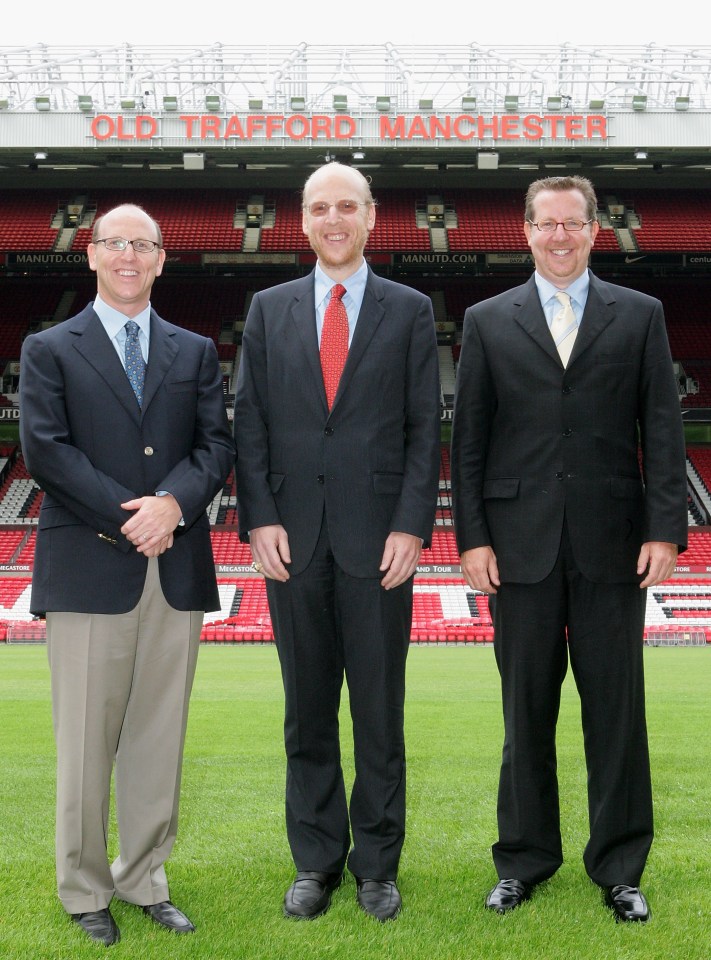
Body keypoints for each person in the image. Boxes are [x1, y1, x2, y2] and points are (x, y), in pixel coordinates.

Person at [451, 176, 687, 923]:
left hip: (614, 547)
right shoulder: (487, 320)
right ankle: (523, 860)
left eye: (571, 224)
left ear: (594, 232)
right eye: (545, 224)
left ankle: (619, 868)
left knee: (616, 714)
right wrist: (472, 539)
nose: (558, 237)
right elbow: (470, 443)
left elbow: (661, 428)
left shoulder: (640, 314)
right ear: (525, 232)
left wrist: (664, 528)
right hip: (516, 549)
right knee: (524, 714)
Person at [19, 204, 234, 946]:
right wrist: (132, 515)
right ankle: (83, 890)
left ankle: (143, 878)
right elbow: (46, 452)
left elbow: (215, 447)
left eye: (142, 245)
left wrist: (173, 505)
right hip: (88, 566)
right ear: (92, 256)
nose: (129, 257)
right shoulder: (50, 347)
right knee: (83, 742)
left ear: (161, 259)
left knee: (156, 738)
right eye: (115, 244)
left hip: (172, 570)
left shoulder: (195, 350)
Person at [234, 162, 440, 922]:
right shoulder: (267, 307)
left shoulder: (409, 309)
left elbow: (425, 426)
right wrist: (258, 517)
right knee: (307, 712)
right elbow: (249, 420)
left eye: (345, 206)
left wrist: (412, 524)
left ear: (370, 217)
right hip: (290, 541)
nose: (332, 218)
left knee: (379, 714)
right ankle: (315, 862)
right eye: (318, 207)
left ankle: (377, 866)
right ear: (302, 220)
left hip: (379, 542)